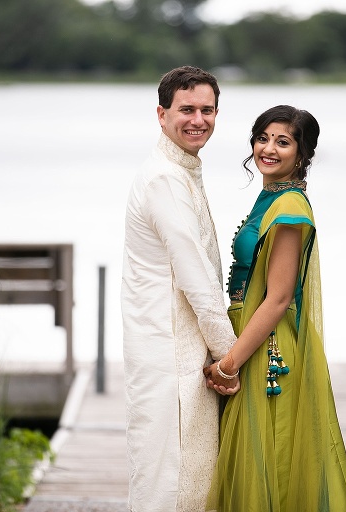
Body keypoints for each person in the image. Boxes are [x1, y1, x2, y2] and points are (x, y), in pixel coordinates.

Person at [204, 105, 346, 511]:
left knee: (269, 467)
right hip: (249, 336)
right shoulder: (270, 196)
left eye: (283, 141)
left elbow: (278, 298)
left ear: (302, 154)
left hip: (267, 350)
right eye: (263, 138)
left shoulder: (289, 208)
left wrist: (228, 365)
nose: (268, 149)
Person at [121, 66, 239, 512]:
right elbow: (200, 285)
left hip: (177, 351)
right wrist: (231, 359)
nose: (198, 120)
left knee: (178, 477)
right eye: (186, 109)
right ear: (161, 114)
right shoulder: (166, 179)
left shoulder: (179, 168)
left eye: (207, 110)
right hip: (171, 354)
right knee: (173, 482)